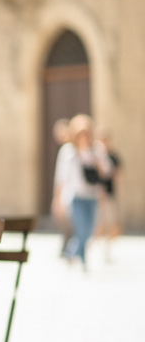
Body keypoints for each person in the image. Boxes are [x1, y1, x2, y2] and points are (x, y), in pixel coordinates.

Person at [55, 114, 109, 268]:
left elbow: (107, 171)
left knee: (89, 231)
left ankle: (75, 254)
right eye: (80, 133)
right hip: (76, 197)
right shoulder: (68, 151)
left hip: (92, 196)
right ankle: (75, 254)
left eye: (86, 133)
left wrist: (96, 161)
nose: (83, 137)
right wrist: (57, 199)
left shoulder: (96, 150)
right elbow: (61, 177)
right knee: (81, 229)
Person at [94, 128, 122, 259]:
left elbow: (117, 176)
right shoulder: (94, 155)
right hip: (96, 194)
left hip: (109, 193)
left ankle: (107, 246)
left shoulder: (113, 157)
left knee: (111, 222)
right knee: (99, 222)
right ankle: (99, 246)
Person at [50, 118, 74, 254]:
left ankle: (69, 250)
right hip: (67, 194)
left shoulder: (69, 150)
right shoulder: (67, 150)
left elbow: (61, 177)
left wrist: (57, 198)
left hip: (71, 194)